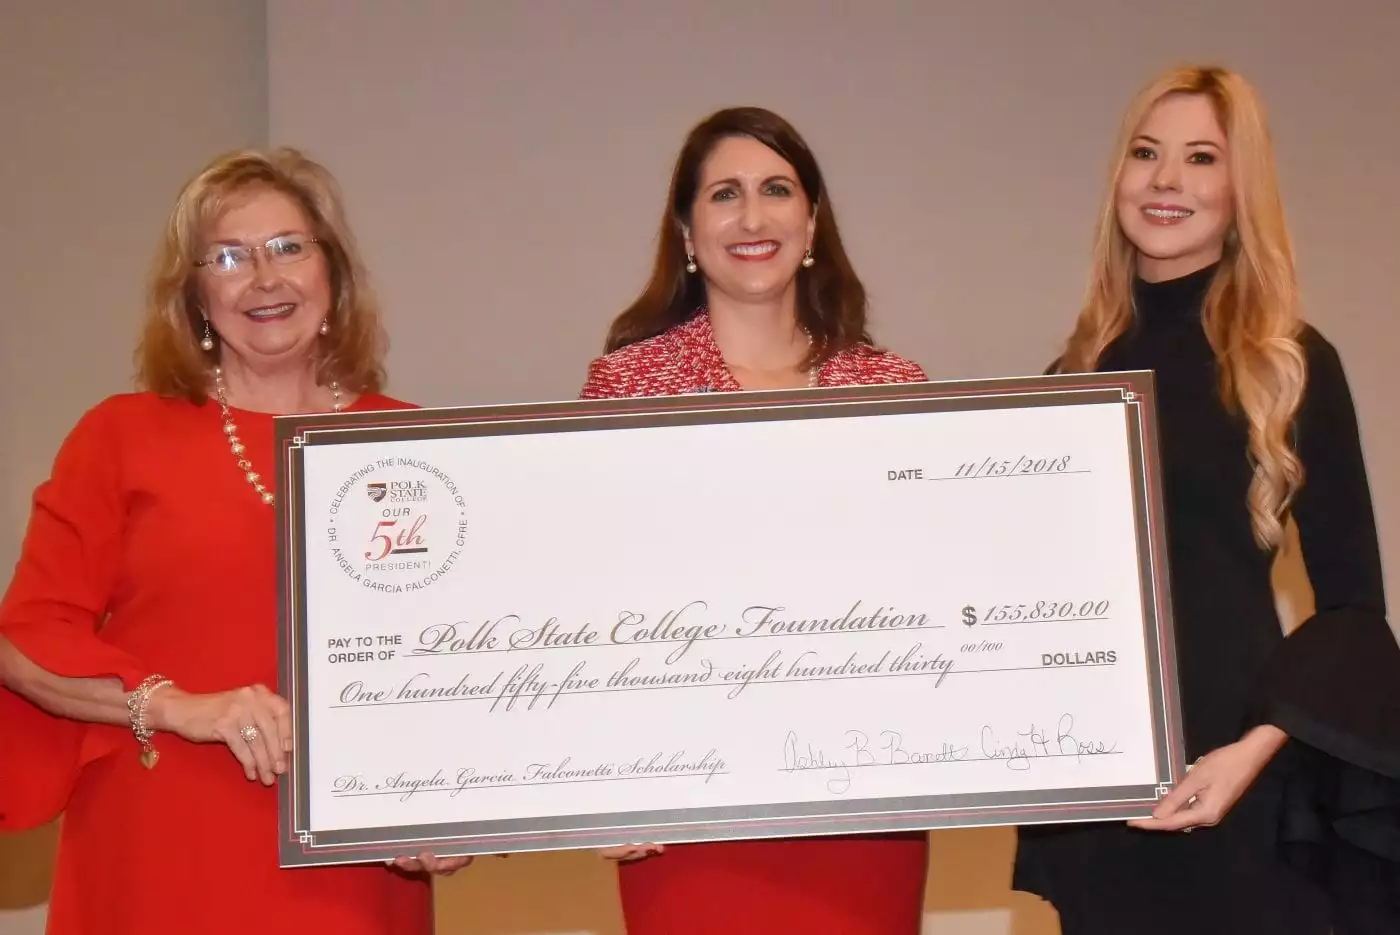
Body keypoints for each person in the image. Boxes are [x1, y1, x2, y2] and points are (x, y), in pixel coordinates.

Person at [0, 147, 470, 935]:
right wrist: (177, 705)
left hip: (349, 866)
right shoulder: (120, 436)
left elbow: (466, 659)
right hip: (159, 844)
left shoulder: (415, 443)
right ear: (194, 294)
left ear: (332, 270)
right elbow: (25, 641)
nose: (264, 278)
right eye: (228, 257)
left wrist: (455, 804)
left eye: (288, 247)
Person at [1011, 64, 1400, 934]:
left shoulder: (1291, 362)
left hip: (1242, 778)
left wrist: (1251, 753)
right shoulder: (1071, 378)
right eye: (1146, 153)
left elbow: (1353, 606)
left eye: (1201, 158)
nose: (1166, 180)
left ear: (1239, 191)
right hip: (1101, 788)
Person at [579, 106, 930, 934]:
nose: (752, 216)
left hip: (863, 801)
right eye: (724, 194)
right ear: (687, 231)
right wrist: (601, 771)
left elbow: (929, 592)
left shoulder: (894, 387)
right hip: (684, 806)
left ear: (811, 221)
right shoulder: (625, 388)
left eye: (776, 190)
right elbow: (595, 601)